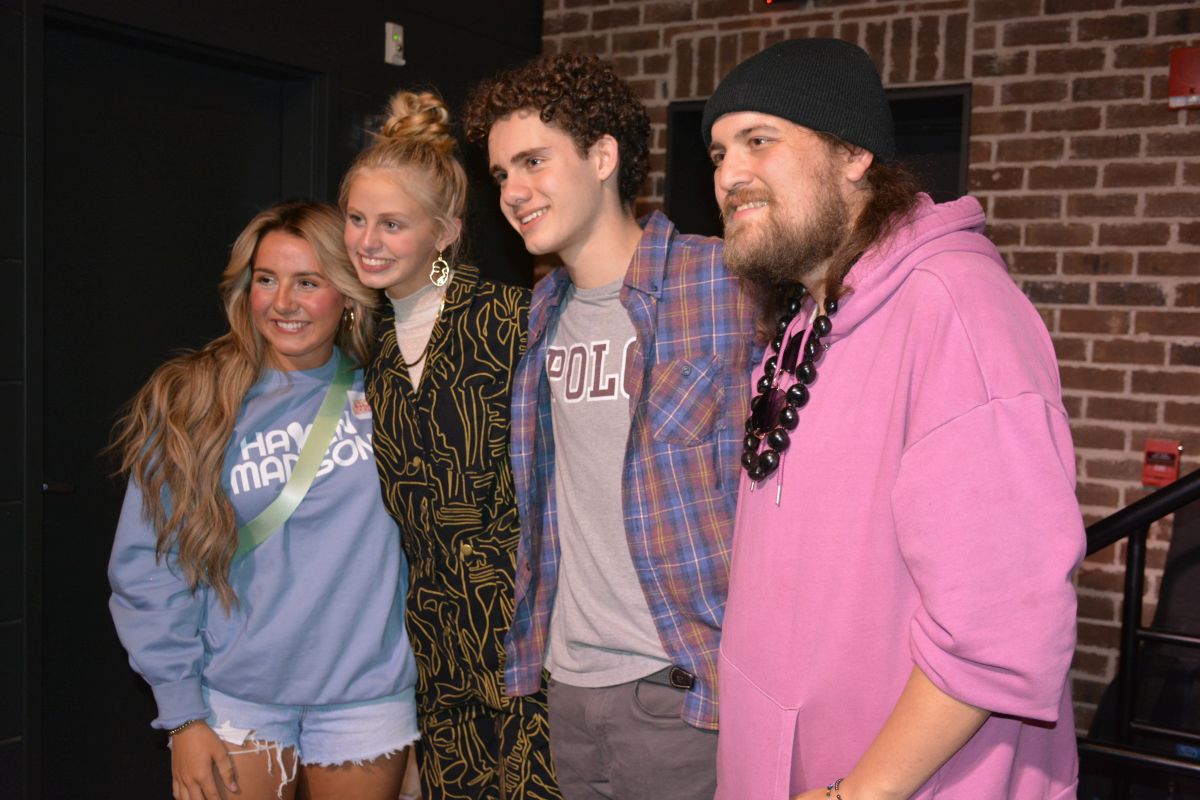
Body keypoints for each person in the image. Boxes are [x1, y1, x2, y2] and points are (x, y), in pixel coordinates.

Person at [703, 38, 1086, 799]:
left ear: (853, 154)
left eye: (759, 140)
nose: (728, 175)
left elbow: (1001, 629)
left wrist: (856, 794)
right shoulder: (807, 317)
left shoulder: (958, 310)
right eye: (717, 153)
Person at [463, 53, 759, 799]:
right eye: (500, 173)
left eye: (534, 161)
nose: (513, 191)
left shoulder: (724, 282)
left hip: (683, 691)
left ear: (602, 157)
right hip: (566, 688)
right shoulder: (542, 312)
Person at [108, 201, 419, 800]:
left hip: (367, 697)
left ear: (349, 294)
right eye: (267, 280)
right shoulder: (194, 401)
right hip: (234, 698)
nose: (283, 303)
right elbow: (148, 567)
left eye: (308, 282)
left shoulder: (394, 393)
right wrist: (182, 716)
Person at [339, 90, 560, 800]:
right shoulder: (367, 345)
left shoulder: (513, 321)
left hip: (530, 644)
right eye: (356, 219)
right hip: (434, 654)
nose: (367, 241)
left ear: (444, 233)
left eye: (392, 224)